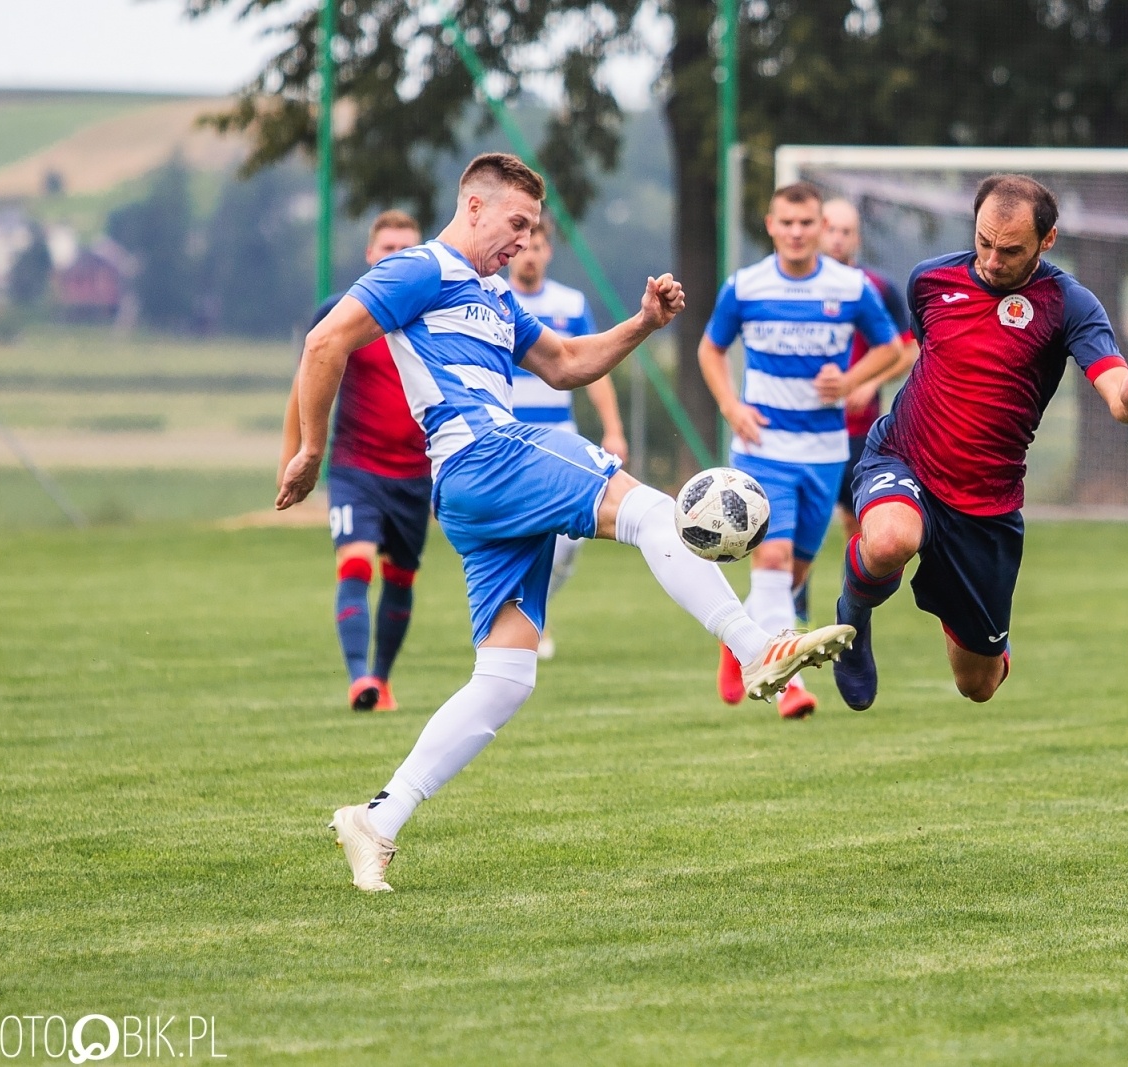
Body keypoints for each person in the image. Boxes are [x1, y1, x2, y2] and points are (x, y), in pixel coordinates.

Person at [277, 153, 854, 892]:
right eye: (517, 223)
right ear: (475, 207)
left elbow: (565, 361)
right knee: (650, 510)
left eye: (534, 229)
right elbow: (325, 341)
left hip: (473, 487)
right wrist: (311, 450)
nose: (523, 241)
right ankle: (754, 648)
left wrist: (644, 322)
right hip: (485, 452)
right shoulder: (421, 268)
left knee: (507, 675)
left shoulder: (491, 293)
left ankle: (376, 819)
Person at [831, 174, 1128, 711]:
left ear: (1046, 241)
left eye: (1010, 250)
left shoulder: (1068, 304)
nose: (990, 260)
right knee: (891, 539)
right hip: (904, 456)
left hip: (985, 504)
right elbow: (930, 356)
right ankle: (853, 616)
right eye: (984, 241)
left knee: (977, 685)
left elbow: (1116, 391)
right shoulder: (930, 280)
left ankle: (963, 605)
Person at [697, 182, 902, 719]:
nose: (795, 232)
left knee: (793, 574)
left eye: (806, 223)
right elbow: (711, 349)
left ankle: (734, 639)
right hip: (763, 450)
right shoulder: (745, 286)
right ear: (770, 225)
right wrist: (730, 406)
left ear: (819, 227)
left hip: (826, 451)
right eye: (786, 222)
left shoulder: (851, 287)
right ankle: (786, 682)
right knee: (772, 556)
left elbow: (892, 347)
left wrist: (853, 379)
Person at [279, 210, 427, 713]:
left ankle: (381, 681)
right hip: (355, 468)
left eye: (407, 248)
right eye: (387, 248)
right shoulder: (340, 311)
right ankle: (358, 677)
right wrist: (294, 460)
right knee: (356, 563)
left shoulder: (431, 313)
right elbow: (302, 391)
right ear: (370, 255)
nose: (396, 256)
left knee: (401, 578)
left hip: (416, 474)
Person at [499, 217, 627, 659]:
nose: (529, 255)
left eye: (538, 247)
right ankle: (522, 621)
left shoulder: (569, 304)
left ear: (547, 252)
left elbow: (592, 367)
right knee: (521, 536)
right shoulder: (492, 297)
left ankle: (537, 609)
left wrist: (612, 429)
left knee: (568, 544)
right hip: (509, 441)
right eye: (524, 248)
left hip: (560, 437)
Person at [790, 197, 920, 625]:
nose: (838, 237)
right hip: (804, 430)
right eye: (832, 228)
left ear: (857, 238)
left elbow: (908, 348)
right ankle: (793, 614)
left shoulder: (874, 288)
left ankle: (854, 613)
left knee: (857, 525)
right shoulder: (794, 287)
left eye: (847, 231)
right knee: (793, 528)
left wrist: (867, 383)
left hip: (859, 433)